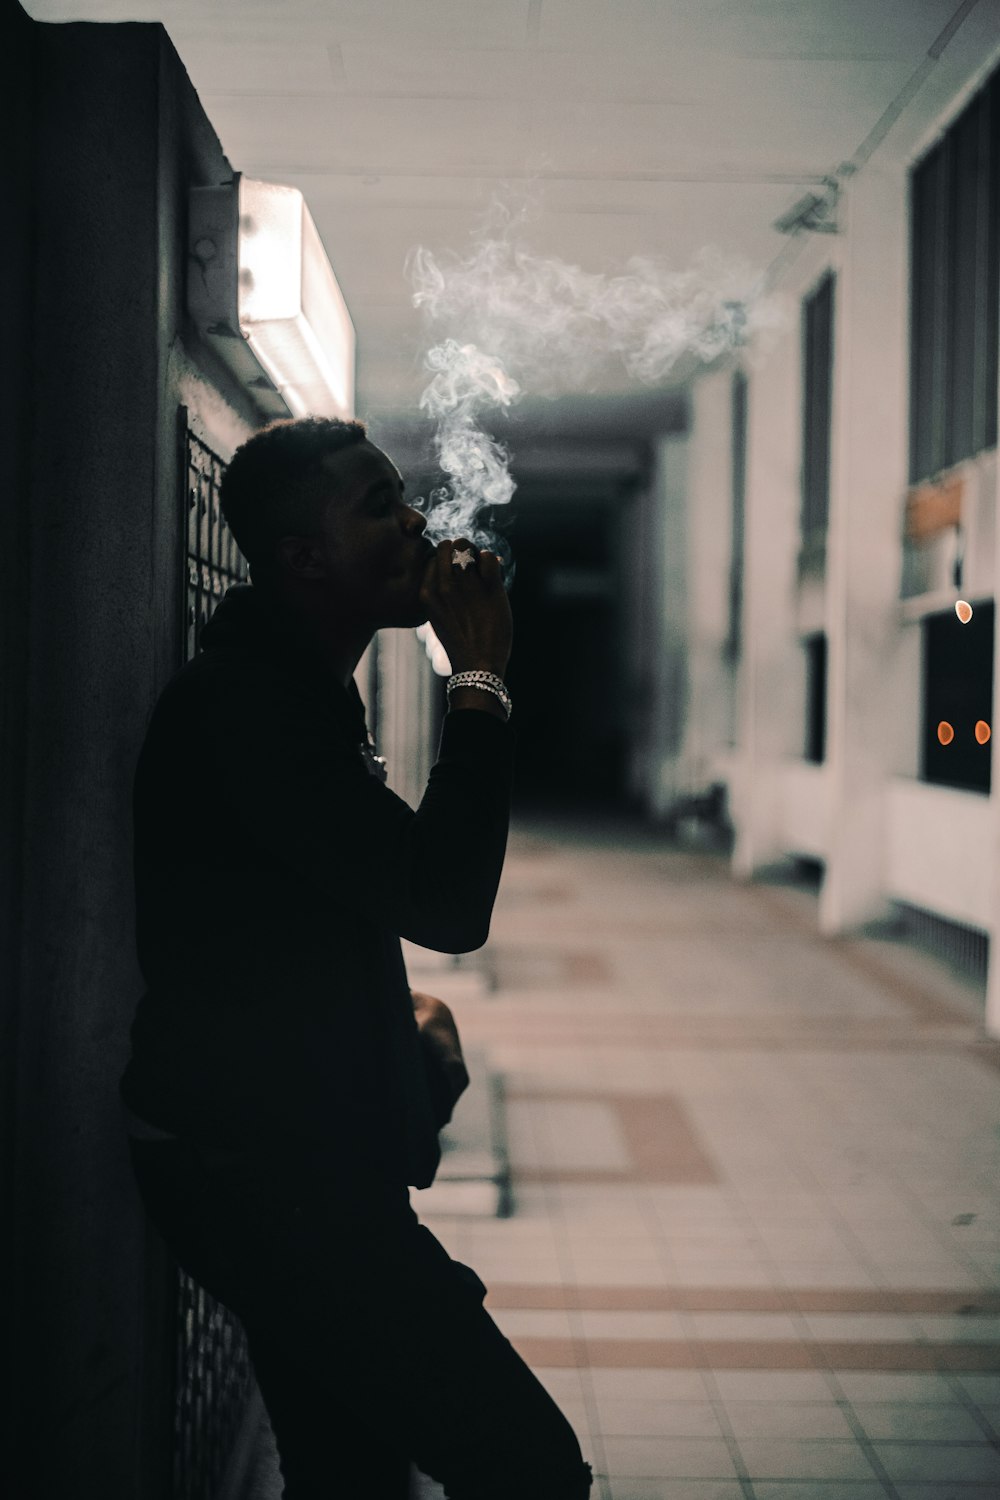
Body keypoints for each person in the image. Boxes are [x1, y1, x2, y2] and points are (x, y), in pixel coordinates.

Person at [120, 417, 592, 1500]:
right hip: (266, 1178)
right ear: (305, 559)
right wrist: (478, 675)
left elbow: (299, 913)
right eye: (378, 505)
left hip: (277, 1156)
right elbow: (443, 898)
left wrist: (397, 1016)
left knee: (350, 1478)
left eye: (404, 498)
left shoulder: (299, 692)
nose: (416, 523)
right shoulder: (251, 709)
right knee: (529, 1468)